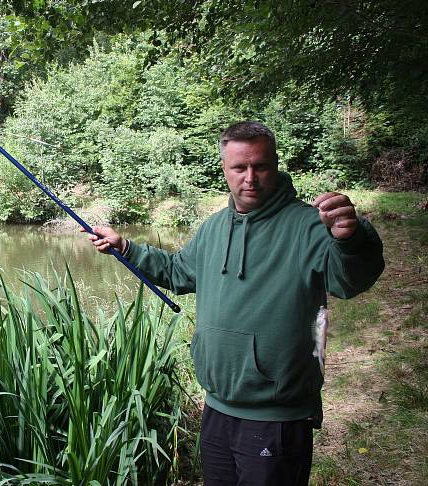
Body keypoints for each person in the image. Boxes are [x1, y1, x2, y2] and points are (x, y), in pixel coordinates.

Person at [85, 121, 384, 485]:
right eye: (239, 168)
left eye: (260, 166)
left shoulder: (308, 225)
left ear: (275, 165)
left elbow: (350, 281)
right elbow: (178, 272)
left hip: (277, 415)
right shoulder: (214, 227)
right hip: (218, 406)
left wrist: (351, 239)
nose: (250, 178)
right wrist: (126, 248)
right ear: (224, 169)